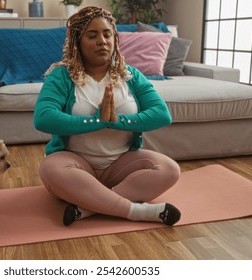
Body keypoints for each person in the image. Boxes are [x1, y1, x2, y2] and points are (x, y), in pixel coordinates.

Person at [34, 6, 181, 226]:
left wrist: (116, 122)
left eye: (107, 34)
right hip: (75, 163)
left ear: (115, 39)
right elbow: (44, 118)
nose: (102, 41)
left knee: (169, 170)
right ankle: (137, 212)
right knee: (50, 169)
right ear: (77, 42)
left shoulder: (131, 75)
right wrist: (97, 122)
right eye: (92, 35)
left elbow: (161, 115)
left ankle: (88, 206)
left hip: (119, 165)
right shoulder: (61, 76)